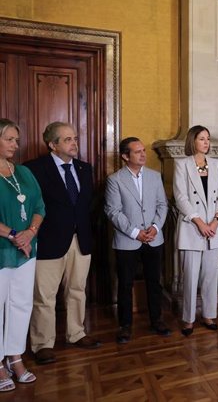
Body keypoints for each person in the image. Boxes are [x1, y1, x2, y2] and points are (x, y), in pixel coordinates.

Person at [25, 122, 101, 365]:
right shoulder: (34, 169)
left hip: (81, 240)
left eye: (75, 138)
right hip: (49, 241)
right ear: (52, 144)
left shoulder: (84, 168)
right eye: (67, 139)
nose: (74, 143)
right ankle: (43, 344)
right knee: (44, 296)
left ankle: (76, 333)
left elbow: (88, 204)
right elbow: (32, 206)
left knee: (77, 290)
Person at [104, 137, 171, 343]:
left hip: (154, 238)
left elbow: (162, 205)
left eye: (143, 150)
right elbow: (113, 211)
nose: (143, 155)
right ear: (125, 156)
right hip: (128, 241)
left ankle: (157, 320)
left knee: (154, 281)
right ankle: (125, 326)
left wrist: (155, 227)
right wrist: (135, 232)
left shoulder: (154, 176)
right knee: (125, 284)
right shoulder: (115, 180)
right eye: (137, 152)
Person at [0, 119, 44, 391]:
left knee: (21, 304)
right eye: (9, 140)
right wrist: (14, 235)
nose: (16, 145)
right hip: (4, 248)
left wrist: (30, 232)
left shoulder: (24, 173)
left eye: (17, 140)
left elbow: (39, 204)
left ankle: (15, 356)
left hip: (26, 250)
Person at [174, 126, 218, 336]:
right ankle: (188, 319)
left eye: (208, 139)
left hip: (214, 228)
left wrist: (215, 221)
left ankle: (208, 314)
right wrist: (200, 223)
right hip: (192, 227)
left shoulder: (215, 164)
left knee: (210, 275)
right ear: (192, 141)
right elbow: (180, 198)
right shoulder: (182, 165)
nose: (206, 142)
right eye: (202, 139)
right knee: (190, 277)